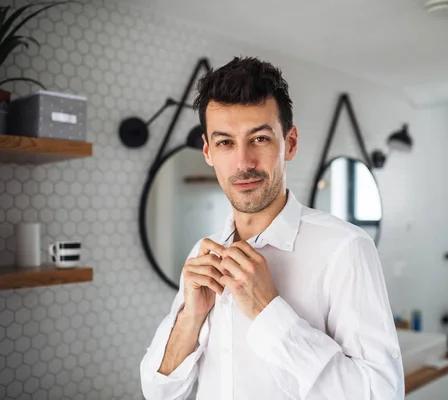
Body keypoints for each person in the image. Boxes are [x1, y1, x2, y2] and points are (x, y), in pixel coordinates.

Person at [140, 56, 404, 400]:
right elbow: (159, 392)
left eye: (260, 139)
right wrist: (192, 316)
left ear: (289, 143)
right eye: (225, 143)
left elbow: (382, 394)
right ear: (208, 152)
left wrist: (268, 312)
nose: (243, 162)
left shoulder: (346, 248)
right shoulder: (203, 256)